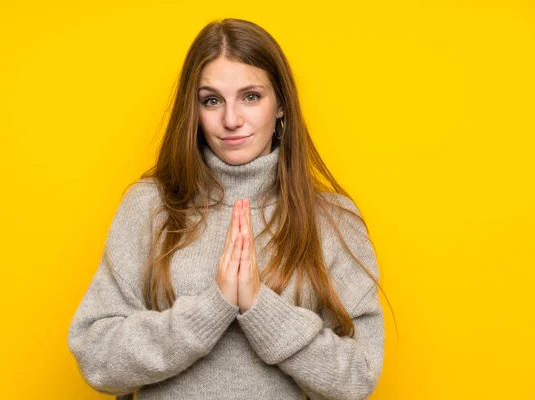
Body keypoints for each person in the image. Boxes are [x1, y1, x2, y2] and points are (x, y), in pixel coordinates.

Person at [68, 18, 386, 400]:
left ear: (281, 104)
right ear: (194, 109)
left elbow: (359, 377)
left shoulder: (332, 220)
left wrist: (260, 307)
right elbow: (97, 358)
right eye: (212, 100)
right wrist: (210, 309)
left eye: (251, 96)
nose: (231, 120)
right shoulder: (149, 207)